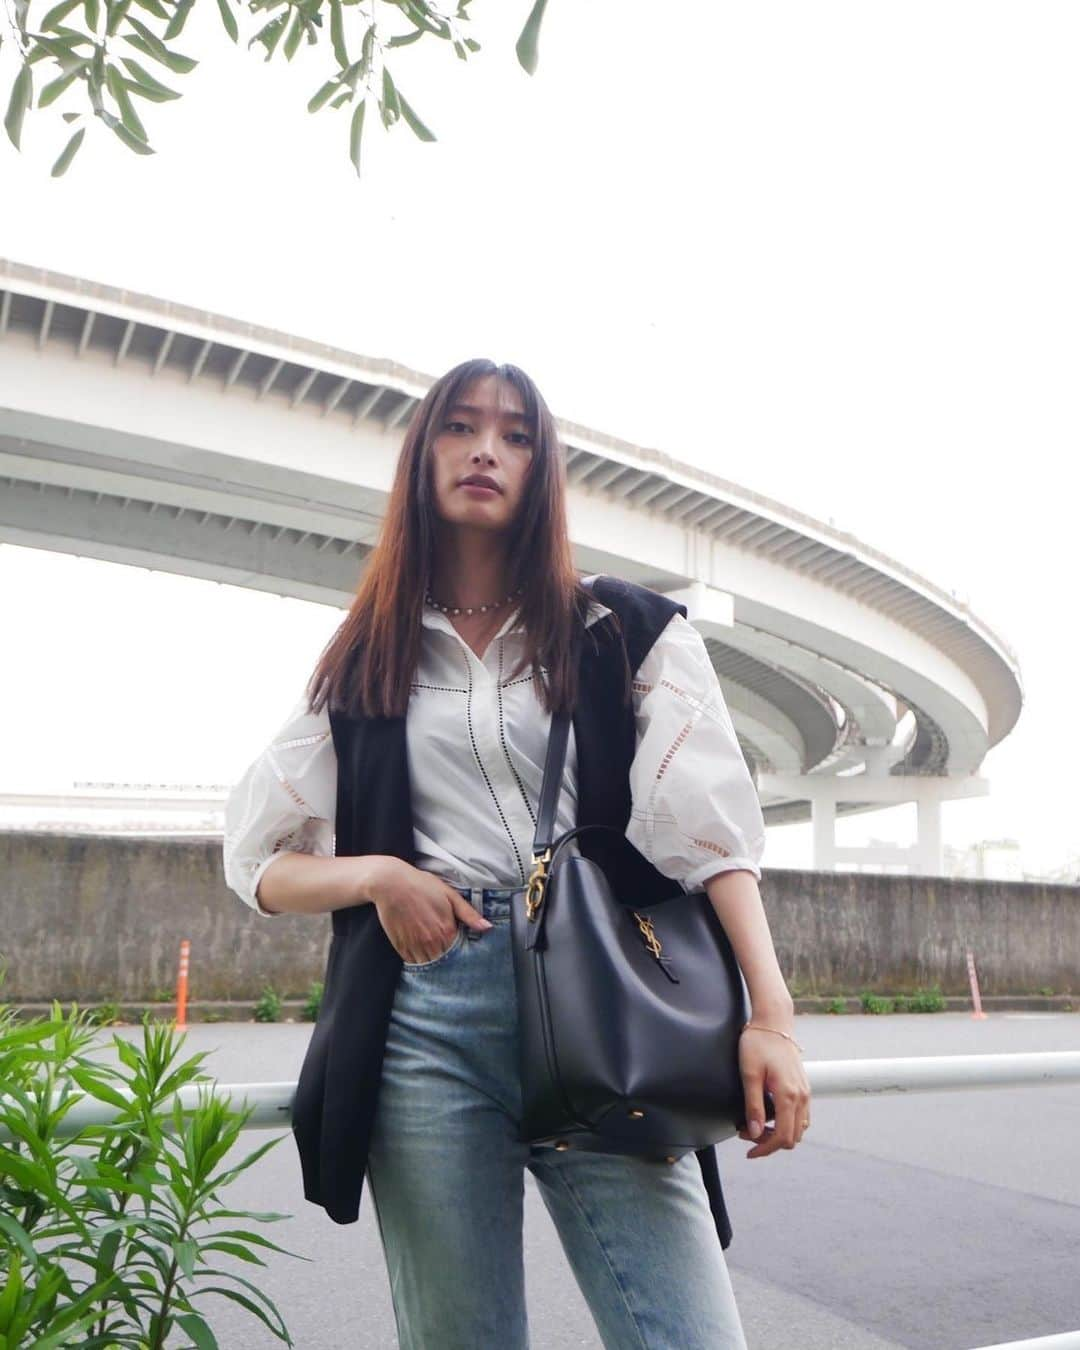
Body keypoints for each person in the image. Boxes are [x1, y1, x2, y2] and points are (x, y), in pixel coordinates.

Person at [223, 357, 812, 1349]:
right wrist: (375, 876)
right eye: (459, 427)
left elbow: (712, 838)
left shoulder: (623, 630)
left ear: (544, 470)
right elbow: (257, 859)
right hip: (426, 1018)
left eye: (516, 433)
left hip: (602, 1003)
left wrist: (773, 1017)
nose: (486, 449)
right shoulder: (371, 653)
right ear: (423, 458)